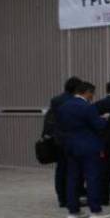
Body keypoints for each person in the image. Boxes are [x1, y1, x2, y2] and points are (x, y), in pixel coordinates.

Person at [55, 80, 110, 218]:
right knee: (92, 177)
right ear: (87, 92)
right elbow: (98, 125)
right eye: (92, 94)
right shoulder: (87, 107)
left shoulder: (64, 107)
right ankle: (95, 211)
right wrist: (104, 119)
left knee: (73, 178)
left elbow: (60, 126)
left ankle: (73, 211)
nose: (92, 96)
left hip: (70, 146)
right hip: (89, 146)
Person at [43, 75, 82, 208]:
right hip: (73, 139)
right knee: (73, 170)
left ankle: (62, 198)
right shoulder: (76, 101)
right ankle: (72, 197)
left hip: (58, 139)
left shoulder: (56, 100)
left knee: (60, 169)